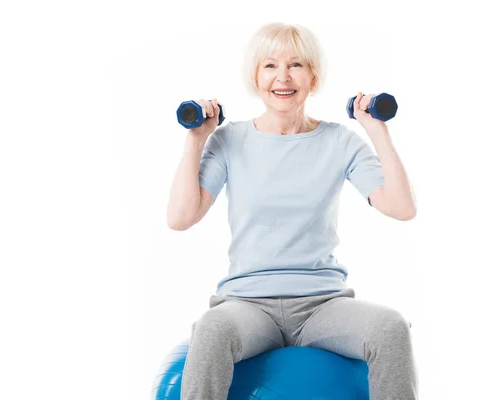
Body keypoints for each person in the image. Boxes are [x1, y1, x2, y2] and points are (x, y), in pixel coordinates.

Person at [166, 22, 418, 400]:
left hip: (322, 304)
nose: (282, 77)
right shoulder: (230, 139)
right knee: (212, 329)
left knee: (391, 328)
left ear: (313, 76)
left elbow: (401, 207)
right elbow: (180, 218)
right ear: (255, 76)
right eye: (270, 66)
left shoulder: (339, 141)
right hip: (248, 303)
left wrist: (377, 130)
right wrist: (195, 141)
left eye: (296, 65)